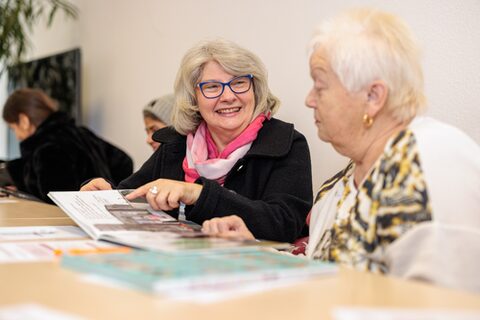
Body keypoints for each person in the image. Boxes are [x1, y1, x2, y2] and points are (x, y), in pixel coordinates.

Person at [202, 8, 480, 290]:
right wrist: (253, 251)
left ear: (373, 97)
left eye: (320, 86)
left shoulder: (430, 163)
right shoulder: (338, 187)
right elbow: (325, 276)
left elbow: (442, 306)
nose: (309, 100)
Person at [81, 39, 313, 243]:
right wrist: (105, 193)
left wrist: (198, 194)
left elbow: (285, 223)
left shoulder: (286, 143)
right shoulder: (176, 143)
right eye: (212, 87)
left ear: (256, 88)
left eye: (239, 83)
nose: (228, 96)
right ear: (194, 99)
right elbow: (133, 194)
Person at [2, 88, 134, 203]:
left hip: (78, 217)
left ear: (24, 121)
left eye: (13, 128)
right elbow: (124, 161)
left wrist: (18, 180)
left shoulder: (47, 147)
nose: (17, 136)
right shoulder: (81, 132)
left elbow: (53, 195)